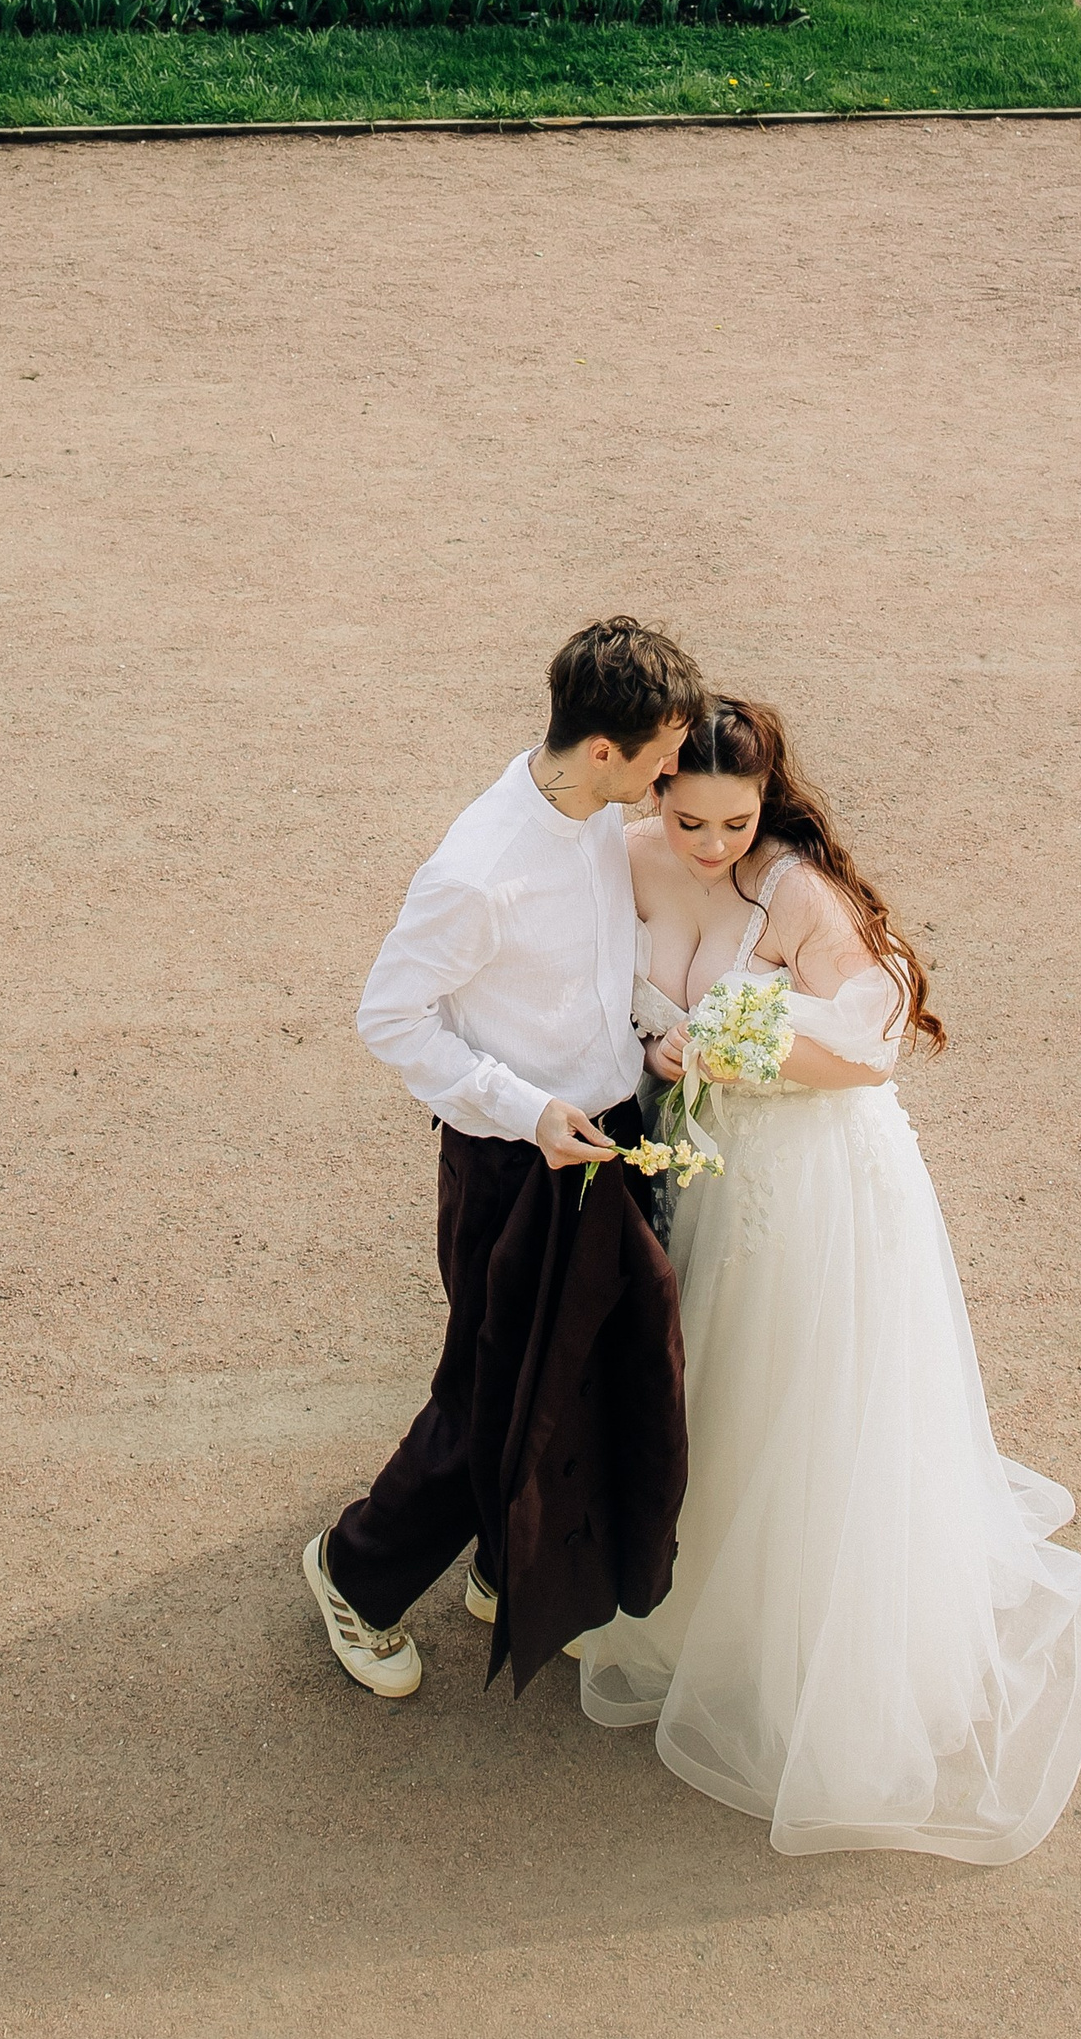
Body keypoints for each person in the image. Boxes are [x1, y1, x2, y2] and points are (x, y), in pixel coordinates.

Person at [576, 695, 1081, 1863]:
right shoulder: (624, 855)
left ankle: (787, 1634)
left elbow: (869, 1049)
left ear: (766, 801)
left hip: (803, 1177)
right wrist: (654, 1050)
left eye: (737, 820)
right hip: (695, 1166)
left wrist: (730, 1050)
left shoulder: (799, 890)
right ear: (658, 790)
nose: (714, 844)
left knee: (798, 1396)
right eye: (692, 818)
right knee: (703, 1379)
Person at [305, 617, 706, 1701]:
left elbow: (589, 972)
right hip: (515, 1168)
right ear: (605, 750)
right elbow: (390, 1017)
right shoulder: (478, 872)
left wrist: (650, 1030)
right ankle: (354, 1574)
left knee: (592, 1366)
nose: (673, 771)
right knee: (491, 1391)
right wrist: (526, 1109)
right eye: (663, 752)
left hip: (606, 1138)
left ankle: (509, 1563)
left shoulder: (593, 812)